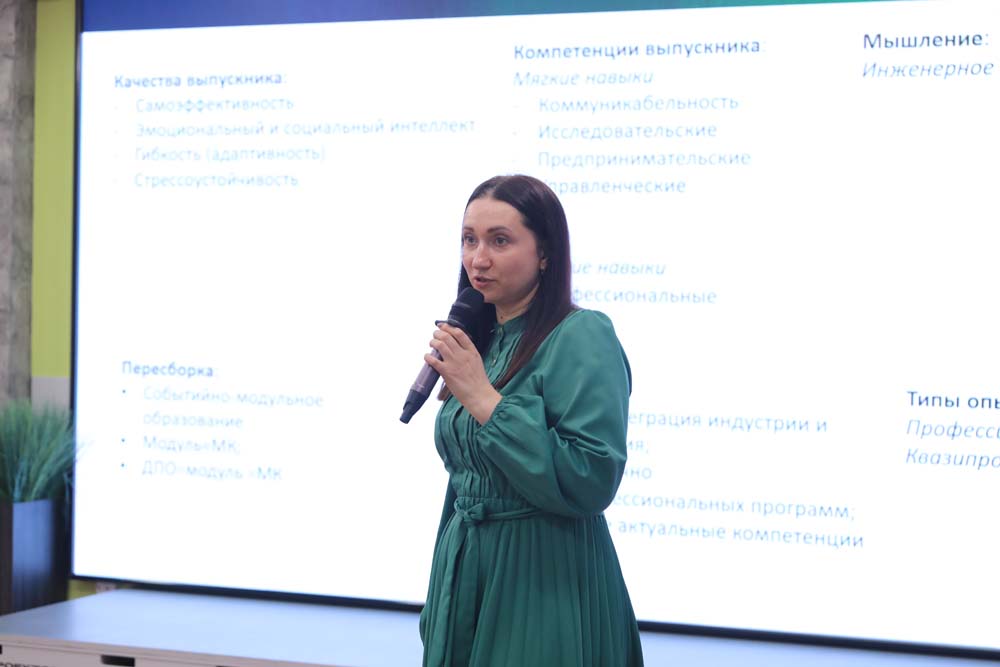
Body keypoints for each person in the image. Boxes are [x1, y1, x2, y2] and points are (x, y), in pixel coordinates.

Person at [418, 174, 644, 666]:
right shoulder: (479, 340)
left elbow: (591, 478)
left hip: (544, 578)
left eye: (500, 241)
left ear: (545, 253)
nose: (478, 259)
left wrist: (484, 398)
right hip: (464, 573)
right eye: (469, 239)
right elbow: (465, 485)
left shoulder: (581, 334)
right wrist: (440, 597)